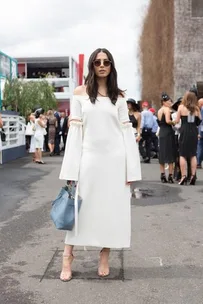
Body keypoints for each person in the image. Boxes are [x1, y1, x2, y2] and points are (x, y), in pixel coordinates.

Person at [59, 48, 141, 282]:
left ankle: (104, 255)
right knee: (79, 208)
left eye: (106, 62)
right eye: (97, 62)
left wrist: (131, 169)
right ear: (92, 66)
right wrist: (71, 168)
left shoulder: (120, 97)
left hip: (115, 162)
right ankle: (68, 256)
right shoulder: (80, 93)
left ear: (111, 66)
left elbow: (126, 135)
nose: (102, 65)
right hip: (89, 160)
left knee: (110, 209)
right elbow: (75, 133)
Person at [176, 91, 202, 185]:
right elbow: (199, 122)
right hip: (193, 131)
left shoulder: (181, 107)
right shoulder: (196, 109)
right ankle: (193, 176)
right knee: (193, 154)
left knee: (182, 154)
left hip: (184, 130)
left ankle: (183, 176)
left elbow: (177, 120)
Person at [157, 93, 176, 183]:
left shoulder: (159, 110)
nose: (170, 102)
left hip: (162, 132)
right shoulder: (167, 110)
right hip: (168, 132)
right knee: (170, 154)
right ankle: (170, 176)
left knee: (162, 153)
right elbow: (168, 121)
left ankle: (162, 174)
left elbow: (160, 122)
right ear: (164, 102)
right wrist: (174, 122)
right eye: (168, 101)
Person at [197, 98, 203, 169]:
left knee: (200, 145)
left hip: (202, 130)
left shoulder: (202, 110)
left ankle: (198, 162)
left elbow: (201, 121)